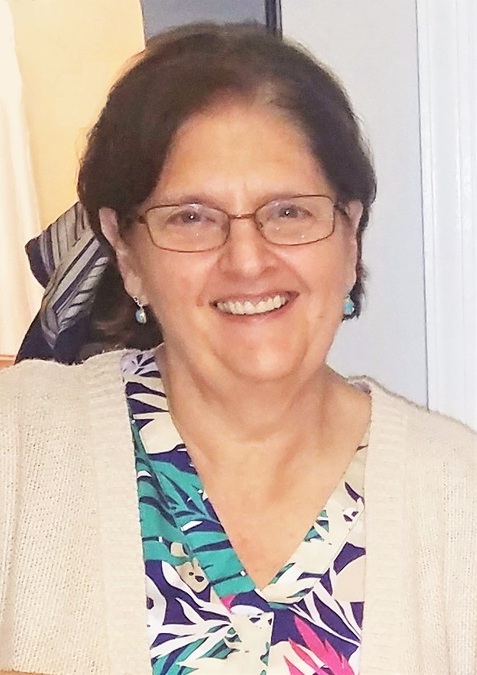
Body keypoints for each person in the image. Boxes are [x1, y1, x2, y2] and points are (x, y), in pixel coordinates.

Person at [1, 22, 476, 675]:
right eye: (191, 217)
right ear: (127, 253)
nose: (247, 260)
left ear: (350, 236)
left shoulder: (457, 494)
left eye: (288, 212)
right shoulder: (20, 447)